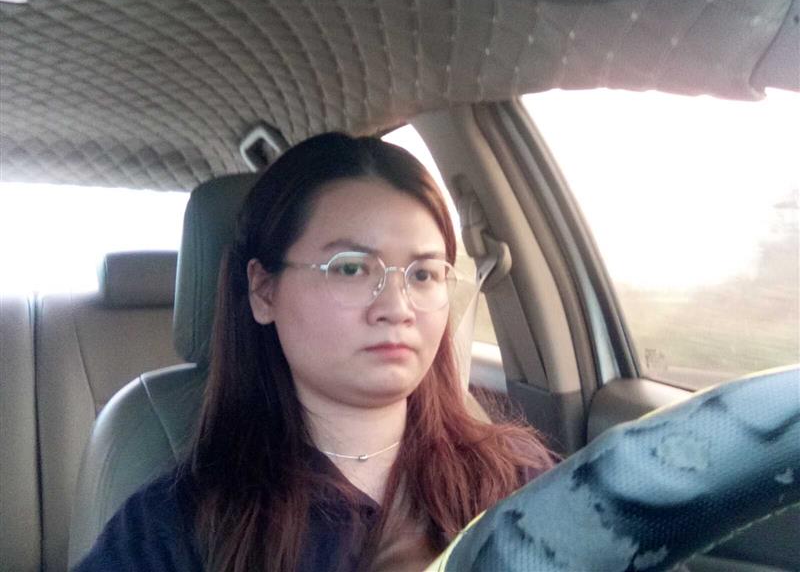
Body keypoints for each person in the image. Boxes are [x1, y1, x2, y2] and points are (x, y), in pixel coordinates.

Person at [74, 132, 556, 572]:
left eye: (423, 274)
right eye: (350, 269)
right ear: (263, 290)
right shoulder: (176, 528)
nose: (397, 307)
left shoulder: (516, 477)